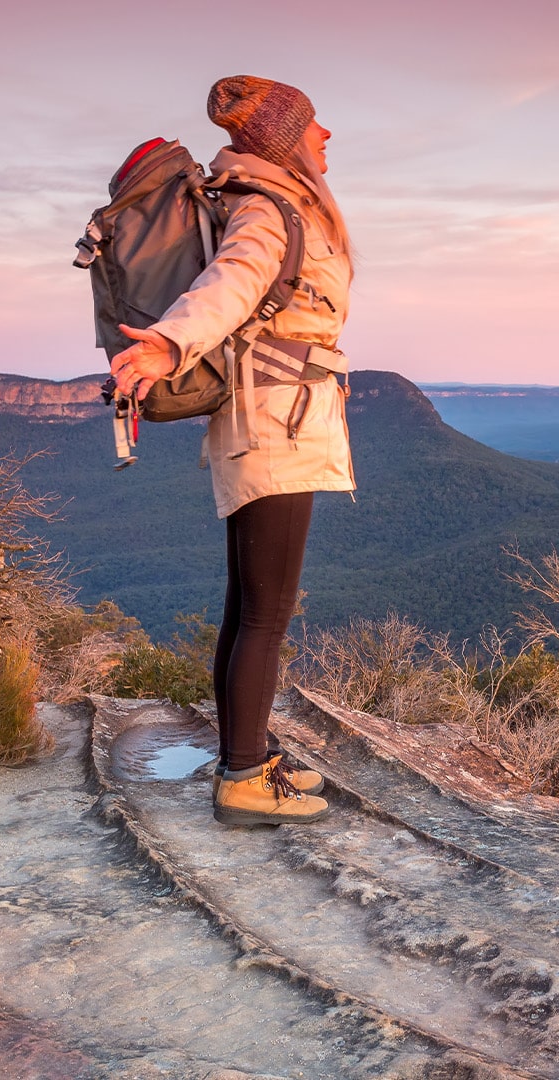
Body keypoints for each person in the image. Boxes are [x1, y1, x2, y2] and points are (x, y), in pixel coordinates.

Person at [108, 75, 355, 826]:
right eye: (314, 124)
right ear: (284, 138)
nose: (327, 134)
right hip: (275, 422)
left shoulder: (271, 197)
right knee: (266, 613)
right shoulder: (266, 206)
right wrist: (167, 344)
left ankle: (246, 754)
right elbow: (234, 278)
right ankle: (244, 779)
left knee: (248, 606)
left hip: (270, 416)